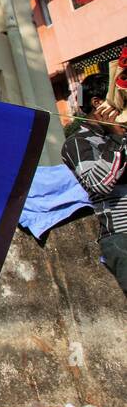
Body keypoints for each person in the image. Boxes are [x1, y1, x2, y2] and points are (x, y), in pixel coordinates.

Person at [62, 74, 127, 293]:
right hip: (122, 236)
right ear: (99, 104)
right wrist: (117, 139)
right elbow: (99, 183)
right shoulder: (77, 143)